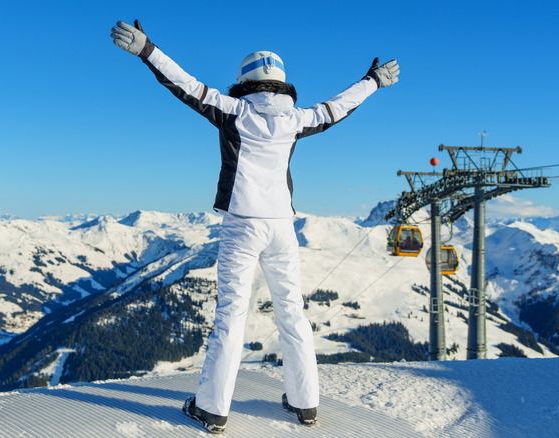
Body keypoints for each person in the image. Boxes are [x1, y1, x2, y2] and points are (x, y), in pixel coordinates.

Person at [110, 20, 399, 433]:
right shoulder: (297, 119)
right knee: (293, 313)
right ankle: (305, 404)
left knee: (231, 313)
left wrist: (147, 50)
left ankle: (211, 409)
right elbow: (339, 107)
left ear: (244, 80)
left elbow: (184, 84)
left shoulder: (233, 111)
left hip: (242, 224)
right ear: (281, 82)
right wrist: (372, 80)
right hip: (283, 226)